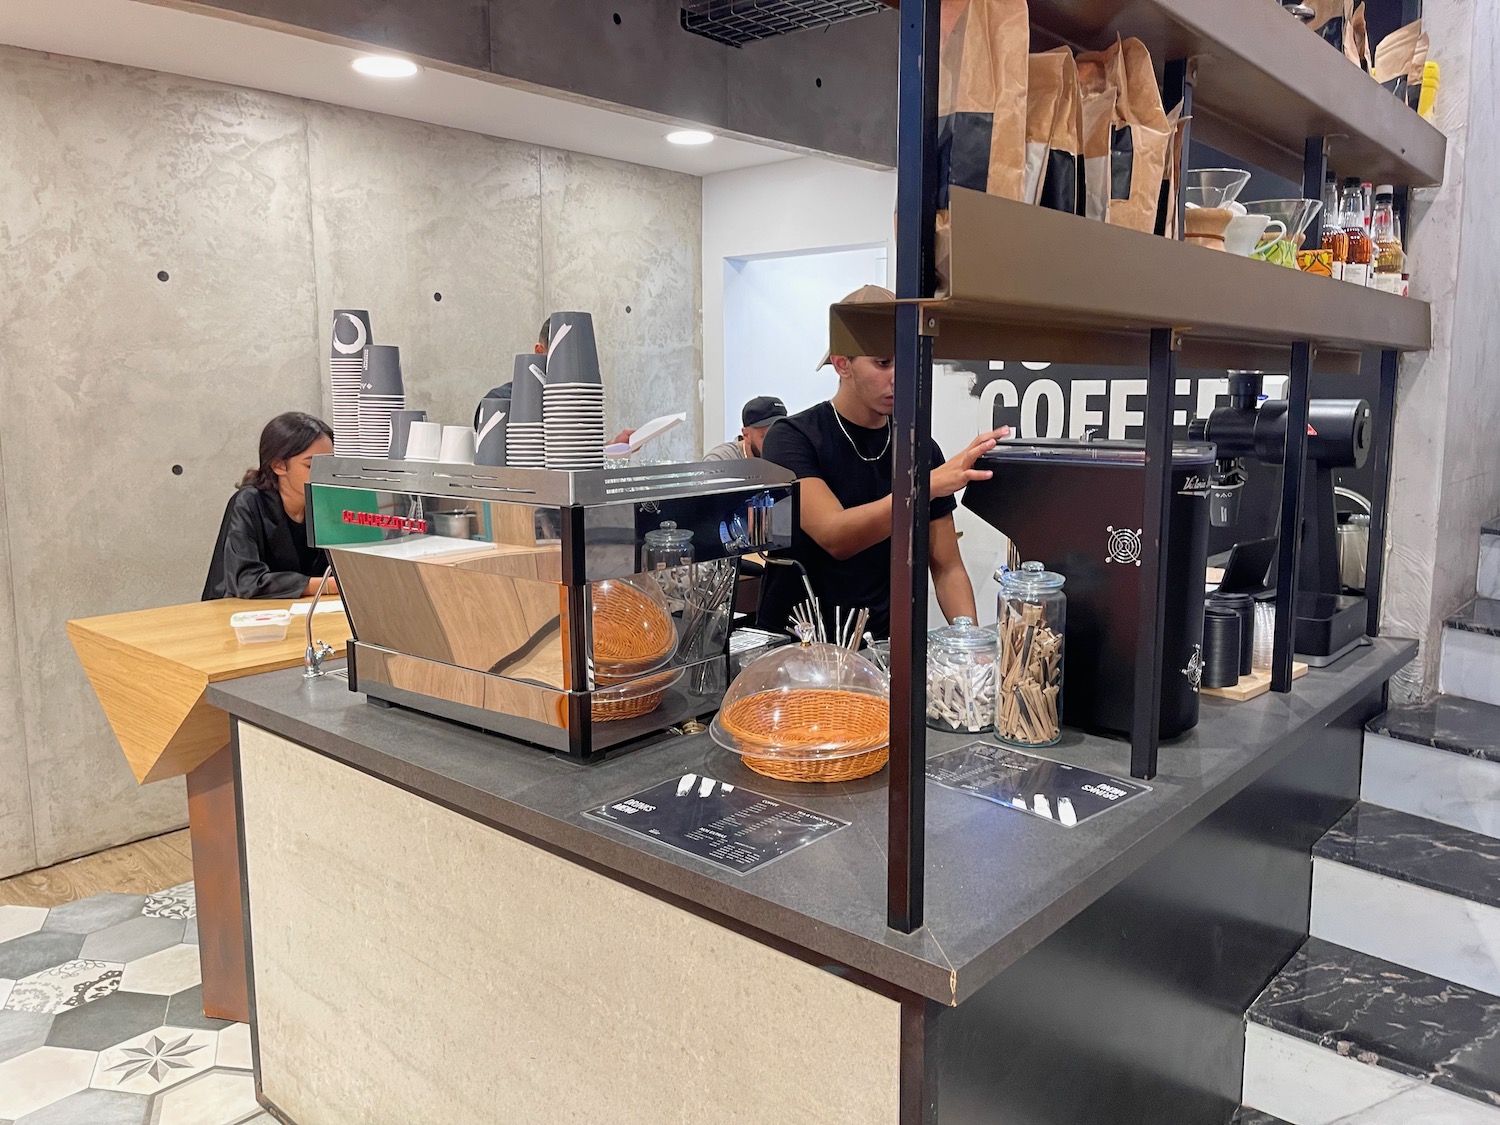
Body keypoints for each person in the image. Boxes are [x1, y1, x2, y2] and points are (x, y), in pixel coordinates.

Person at [760, 286, 1009, 639]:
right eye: (883, 363)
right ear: (842, 363)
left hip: (881, 648)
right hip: (800, 649)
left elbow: (947, 566)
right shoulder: (792, 438)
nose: (898, 377)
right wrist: (926, 487)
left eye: (904, 361)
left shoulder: (918, 449)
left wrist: (970, 648)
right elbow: (836, 536)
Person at [202, 413, 337, 600]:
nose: (325, 474)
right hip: (241, 617)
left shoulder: (328, 504)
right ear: (279, 466)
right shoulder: (248, 502)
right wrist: (326, 585)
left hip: (304, 612)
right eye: (312, 465)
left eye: (330, 463)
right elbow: (246, 581)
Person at [704, 396, 788, 461]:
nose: (776, 443)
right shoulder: (720, 460)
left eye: (781, 435)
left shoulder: (790, 456)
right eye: (766, 437)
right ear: (746, 435)